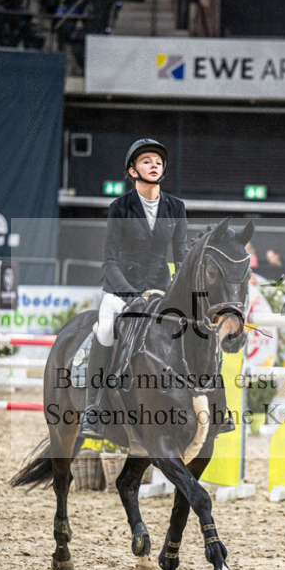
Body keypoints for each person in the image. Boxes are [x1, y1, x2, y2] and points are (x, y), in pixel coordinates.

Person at [79, 138, 189, 441]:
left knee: (191, 330)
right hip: (120, 292)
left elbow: (182, 257)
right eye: (146, 161)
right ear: (132, 170)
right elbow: (109, 261)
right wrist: (130, 296)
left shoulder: (176, 207)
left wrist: (180, 292)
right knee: (104, 329)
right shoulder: (120, 207)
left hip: (160, 291)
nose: (154, 165)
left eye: (157, 161)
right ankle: (94, 407)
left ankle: (202, 399)